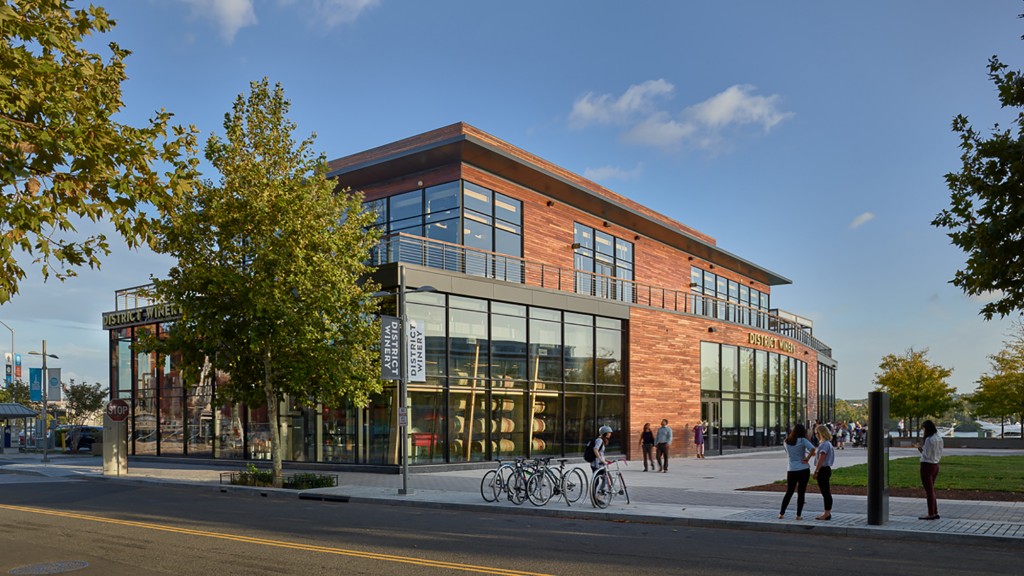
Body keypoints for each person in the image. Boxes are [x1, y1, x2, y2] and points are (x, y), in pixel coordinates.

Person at [779, 423, 816, 520]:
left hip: (791, 469)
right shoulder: (803, 440)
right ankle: (798, 515)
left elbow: (788, 453)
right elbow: (813, 449)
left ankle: (781, 513)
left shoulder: (786, 441)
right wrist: (807, 458)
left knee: (789, 492)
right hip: (803, 469)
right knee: (801, 492)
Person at [913, 420, 944, 520]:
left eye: (924, 429)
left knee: (929, 491)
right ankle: (935, 511)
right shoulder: (939, 438)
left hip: (926, 465)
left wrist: (919, 448)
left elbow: (925, 454)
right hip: (936, 465)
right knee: (931, 490)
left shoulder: (929, 439)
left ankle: (931, 513)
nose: (923, 431)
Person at [812, 424, 835, 520]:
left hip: (823, 470)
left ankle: (826, 513)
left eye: (817, 433)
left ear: (821, 433)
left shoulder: (824, 444)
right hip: (826, 469)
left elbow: (822, 459)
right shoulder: (827, 444)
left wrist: (816, 471)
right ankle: (827, 512)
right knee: (826, 492)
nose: (816, 435)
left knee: (825, 492)